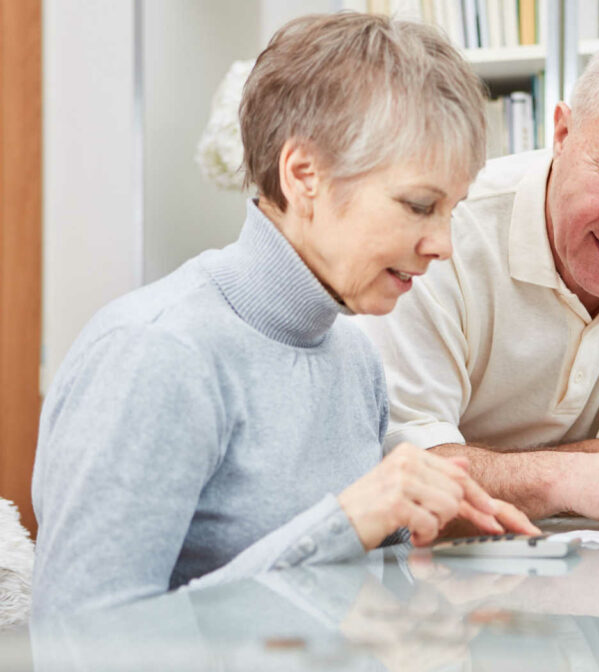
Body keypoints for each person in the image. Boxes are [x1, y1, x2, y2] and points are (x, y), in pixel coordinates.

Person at [31, 12, 536, 620]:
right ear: (304, 176)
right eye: (419, 205)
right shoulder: (156, 353)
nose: (443, 245)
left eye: (452, 210)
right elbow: (81, 642)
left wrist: (435, 606)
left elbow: (346, 604)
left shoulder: (353, 356)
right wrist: (345, 522)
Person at [357, 33, 599, 537]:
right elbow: (406, 478)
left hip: (591, 580)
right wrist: (569, 478)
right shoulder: (443, 230)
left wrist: (492, 472)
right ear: (562, 134)